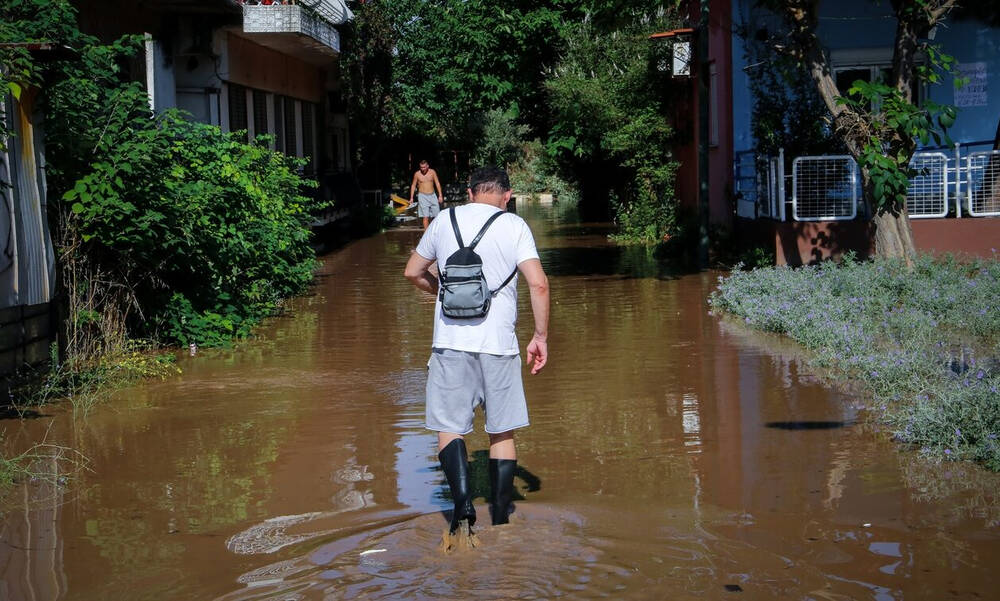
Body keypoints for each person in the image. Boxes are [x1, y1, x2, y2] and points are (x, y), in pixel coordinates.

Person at [403, 166, 549, 547]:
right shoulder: (514, 225)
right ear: (507, 195)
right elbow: (539, 283)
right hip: (499, 343)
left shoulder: (443, 219)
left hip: (450, 341)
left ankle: (463, 510)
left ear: (468, 193)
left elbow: (412, 272)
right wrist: (540, 336)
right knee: (501, 429)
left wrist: (440, 291)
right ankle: (500, 518)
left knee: (449, 425)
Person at [409, 159, 444, 229]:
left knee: (437, 215)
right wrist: (411, 197)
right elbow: (413, 185)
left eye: (424, 167)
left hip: (432, 195)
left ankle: (435, 231)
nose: (422, 169)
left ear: (427, 166)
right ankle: (426, 234)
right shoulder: (417, 174)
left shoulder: (432, 172)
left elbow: (437, 183)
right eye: (421, 167)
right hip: (422, 196)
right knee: (425, 216)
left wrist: (440, 195)